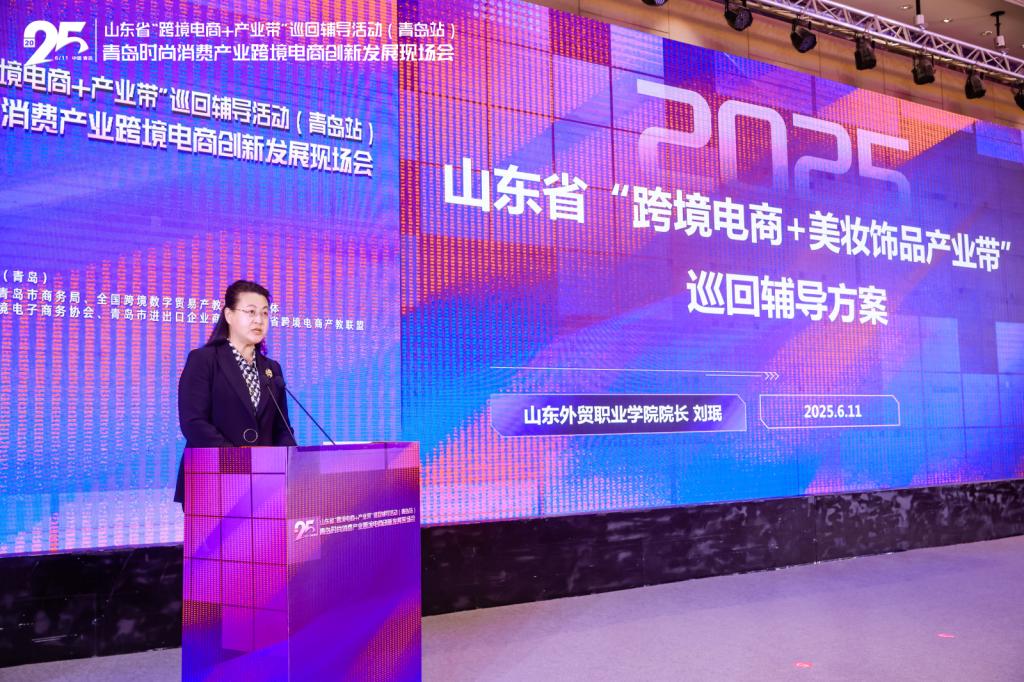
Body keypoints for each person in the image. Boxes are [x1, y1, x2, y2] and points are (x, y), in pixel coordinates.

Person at [173, 279, 297, 504]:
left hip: (264, 486)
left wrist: (289, 463)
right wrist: (239, 462)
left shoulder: (271, 369)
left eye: (265, 313)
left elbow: (282, 428)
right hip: (212, 482)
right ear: (229, 315)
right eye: (250, 312)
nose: (259, 320)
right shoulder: (204, 360)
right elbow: (194, 423)